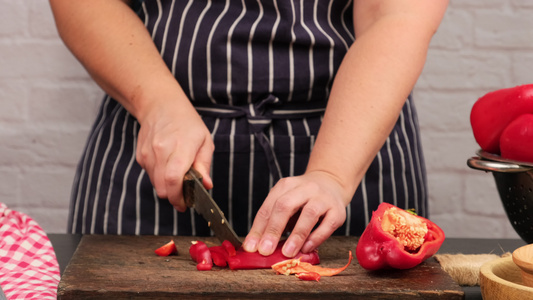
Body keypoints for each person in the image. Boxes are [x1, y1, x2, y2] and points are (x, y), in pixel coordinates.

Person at [49, 0, 448, 258]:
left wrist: (332, 174)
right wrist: (156, 103)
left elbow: (396, 15)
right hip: (155, 138)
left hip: (354, 138)